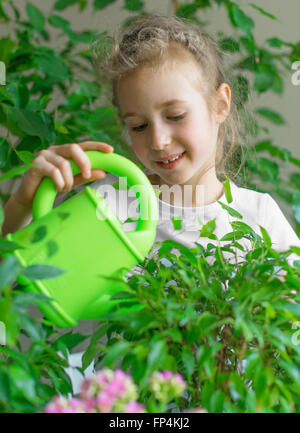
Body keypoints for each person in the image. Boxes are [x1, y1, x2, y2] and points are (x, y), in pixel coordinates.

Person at [3, 14, 300, 280]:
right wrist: (22, 204)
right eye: (138, 126)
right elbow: (18, 278)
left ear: (220, 104)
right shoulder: (110, 203)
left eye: (176, 116)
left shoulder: (259, 218)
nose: (158, 141)